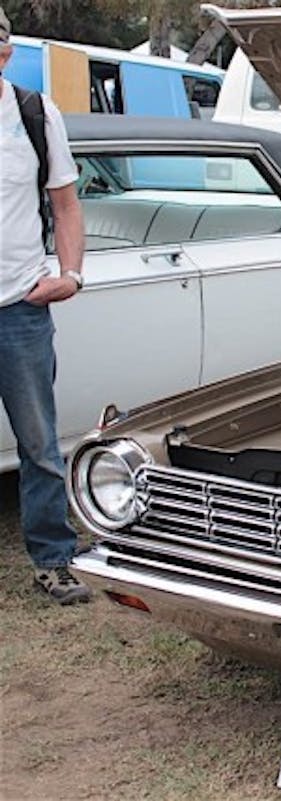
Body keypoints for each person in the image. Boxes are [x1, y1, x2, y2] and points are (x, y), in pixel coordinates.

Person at [0, 6, 91, 604]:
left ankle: (54, 560)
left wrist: (71, 276)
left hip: (19, 310)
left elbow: (65, 205)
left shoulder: (34, 113)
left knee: (39, 444)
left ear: (3, 50)